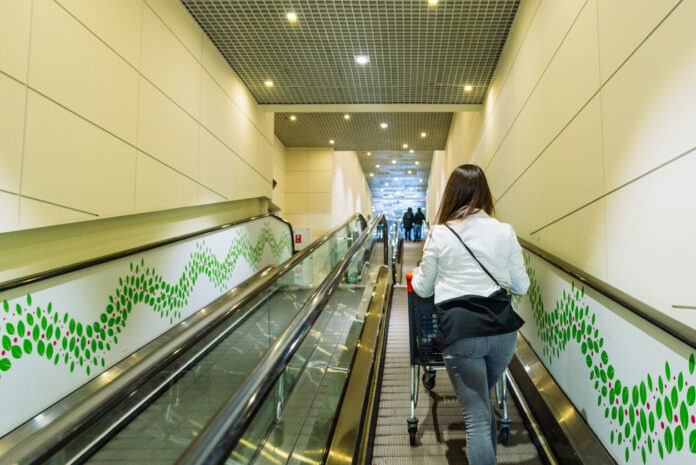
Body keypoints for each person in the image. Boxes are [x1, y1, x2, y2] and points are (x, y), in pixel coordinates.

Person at [411, 164, 529, 465]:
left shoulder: (440, 234)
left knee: (476, 415)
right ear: (484, 193)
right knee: (482, 405)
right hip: (502, 333)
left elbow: (423, 289)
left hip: (462, 334)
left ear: (452, 194)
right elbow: (521, 285)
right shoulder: (504, 231)